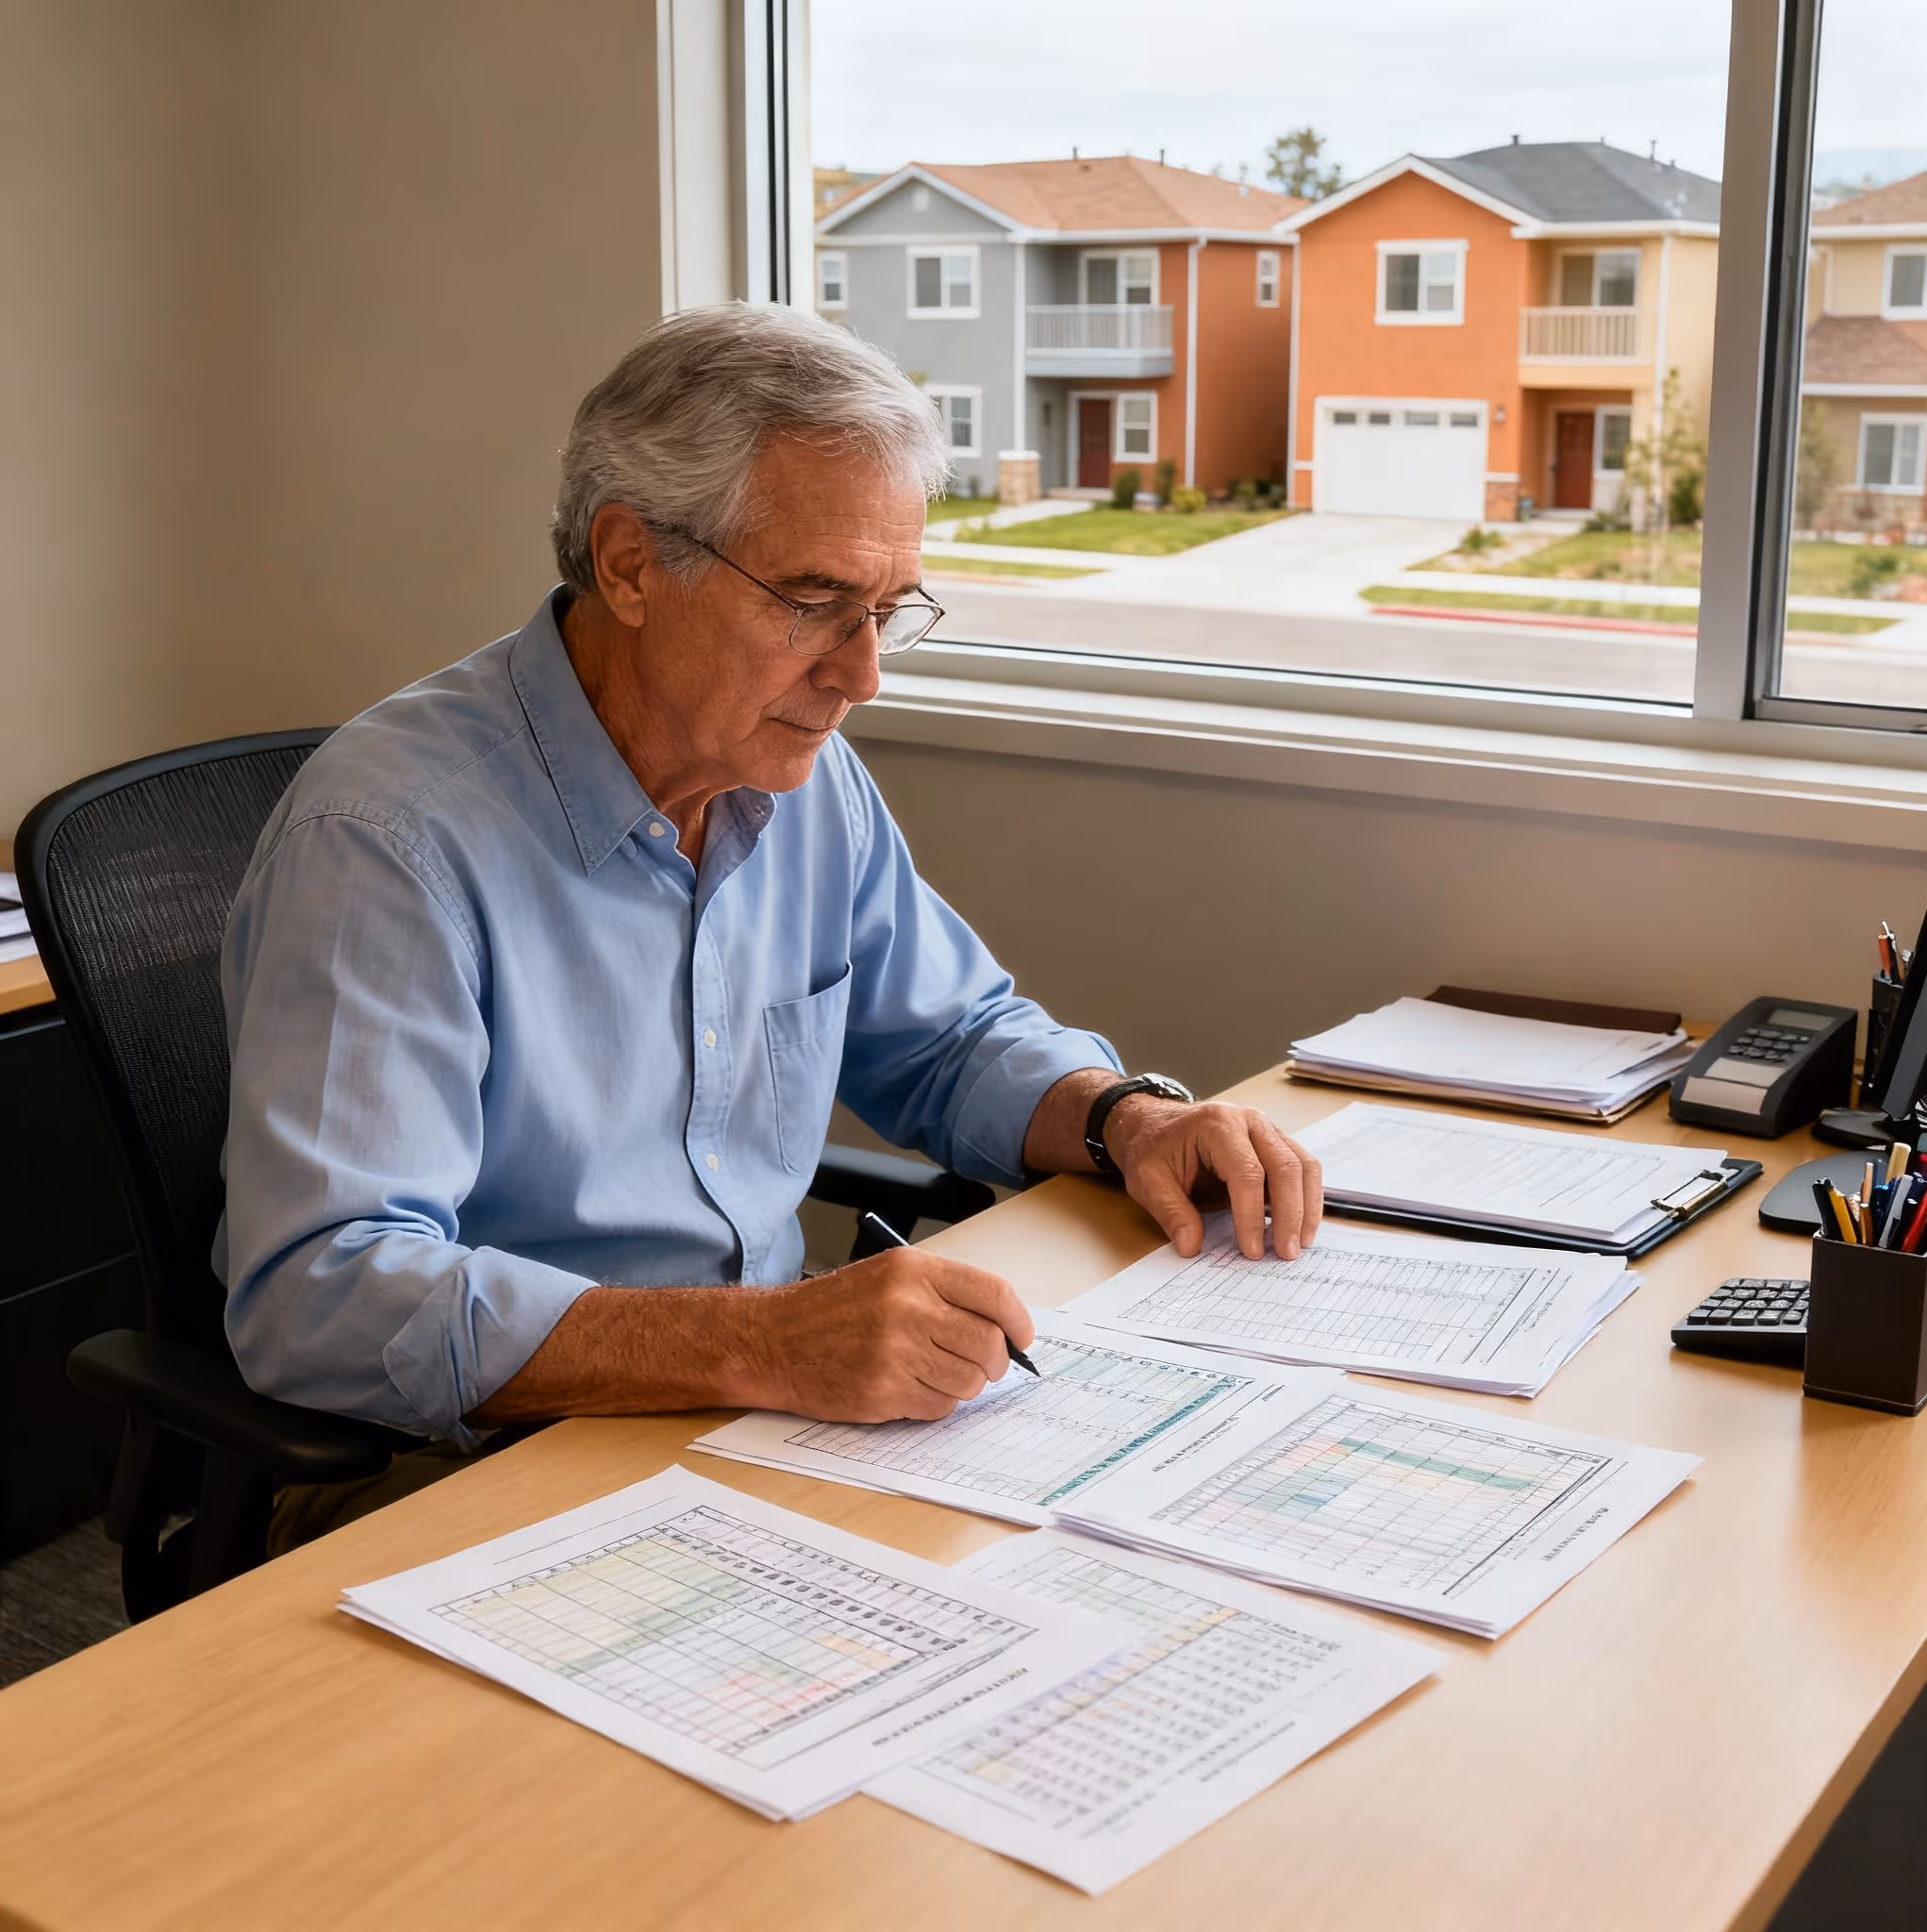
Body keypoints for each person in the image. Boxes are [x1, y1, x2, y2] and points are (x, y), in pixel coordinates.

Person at [217, 304, 1321, 1542]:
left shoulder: (796, 774)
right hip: (470, 1463)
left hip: (753, 1418)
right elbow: (321, 1298)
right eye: (812, 601)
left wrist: (1127, 1118)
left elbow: (949, 1037)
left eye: (890, 608)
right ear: (629, 563)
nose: (863, 675)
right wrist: (768, 1343)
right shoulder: (388, 841)